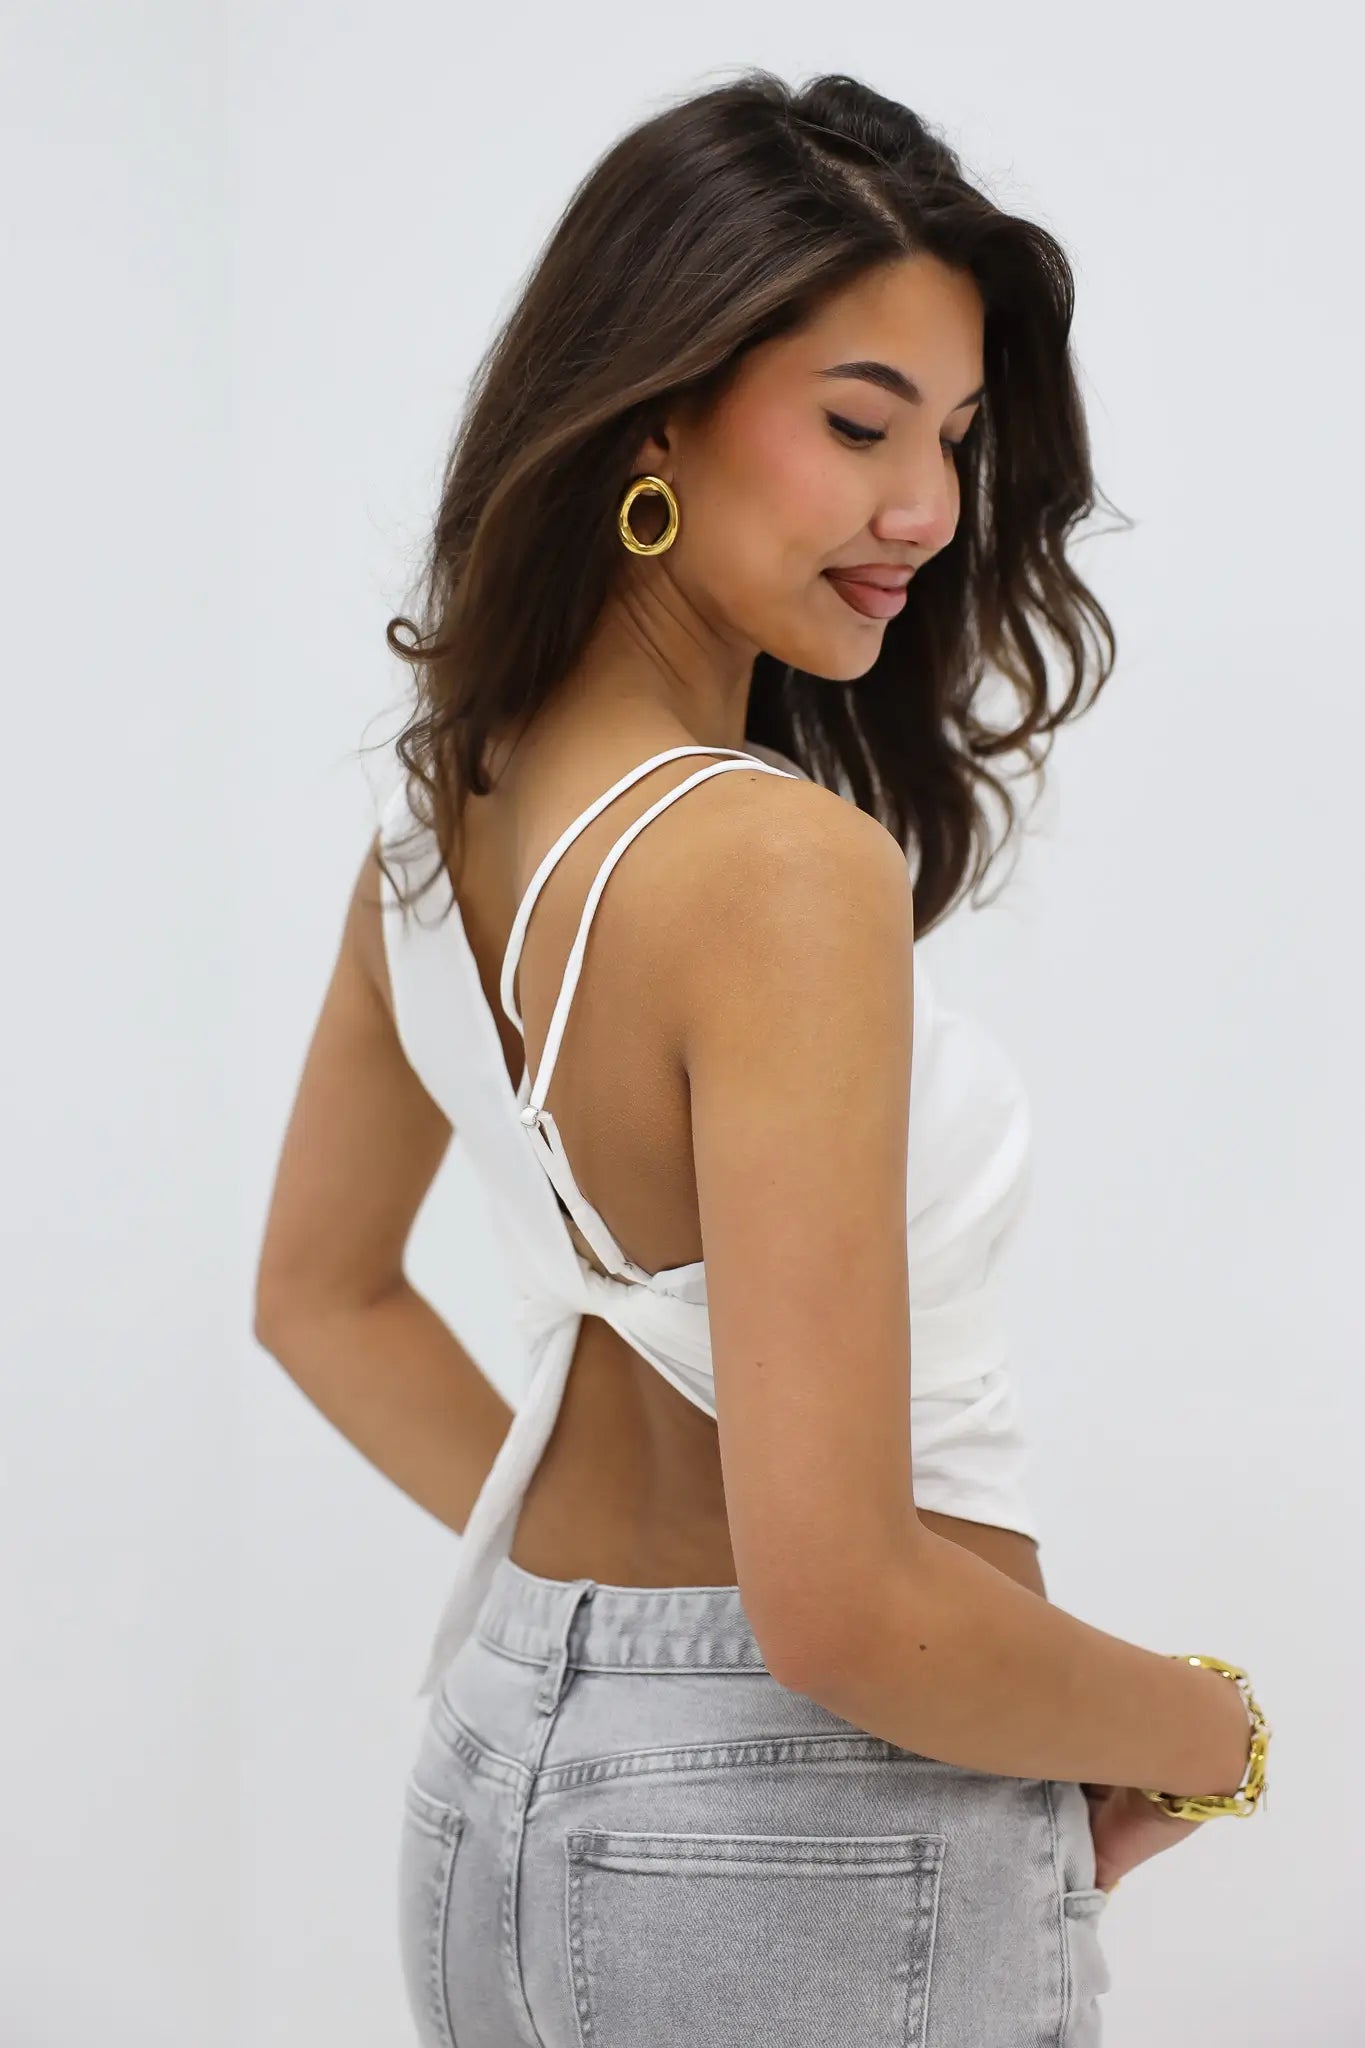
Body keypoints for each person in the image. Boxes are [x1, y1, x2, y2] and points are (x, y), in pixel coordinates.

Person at [253, 68, 1270, 2047]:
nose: (927, 511)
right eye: (856, 424)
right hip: (817, 1831)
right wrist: (1207, 1730)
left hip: (499, 1777)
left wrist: (600, 1638)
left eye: (953, 438)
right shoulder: (773, 869)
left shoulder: (441, 816)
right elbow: (840, 1610)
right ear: (655, 410)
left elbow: (319, 1296)